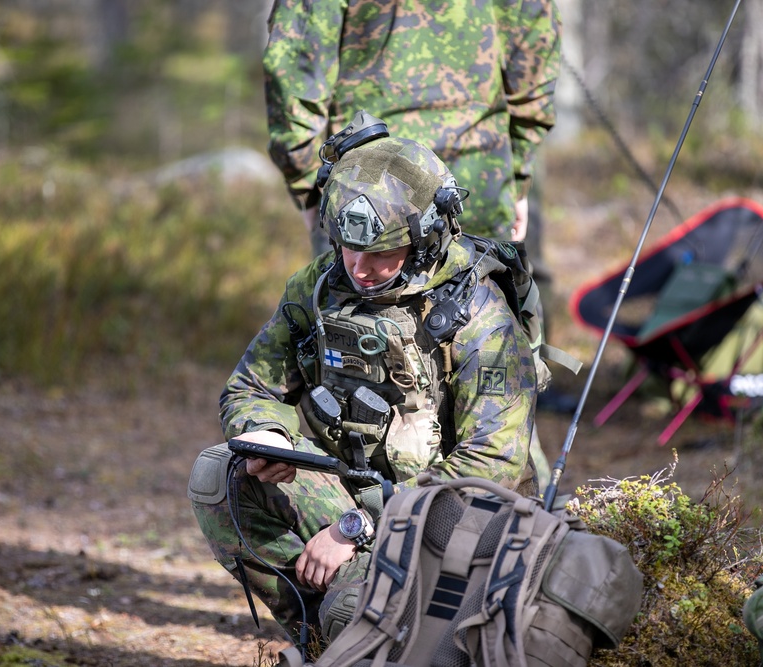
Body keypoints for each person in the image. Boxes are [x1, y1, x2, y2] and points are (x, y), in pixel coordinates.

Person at [189, 124, 549, 646]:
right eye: (347, 249)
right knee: (219, 473)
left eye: (381, 254)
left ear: (425, 239)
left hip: (450, 523)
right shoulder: (320, 285)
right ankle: (324, 640)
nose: (359, 268)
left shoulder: (481, 316)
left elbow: (490, 467)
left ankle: (358, 626)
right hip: (356, 494)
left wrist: (356, 527)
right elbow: (249, 387)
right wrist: (264, 434)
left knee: (355, 609)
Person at [263, 0, 562, 258]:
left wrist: (310, 191)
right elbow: (535, 59)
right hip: (477, 183)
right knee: (488, 315)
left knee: (362, 322)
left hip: (364, 198)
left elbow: (293, 72)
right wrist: (518, 175)